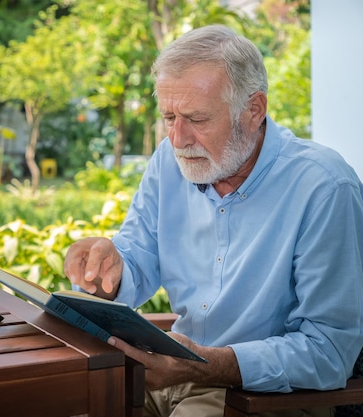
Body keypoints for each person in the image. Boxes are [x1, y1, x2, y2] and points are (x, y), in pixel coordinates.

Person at [63, 24, 363, 417]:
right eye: (169, 116)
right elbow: (136, 260)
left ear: (254, 110)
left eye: (197, 119)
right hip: (171, 368)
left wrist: (208, 364)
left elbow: (328, 351)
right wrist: (107, 270)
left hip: (263, 393)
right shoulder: (168, 163)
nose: (178, 138)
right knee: (64, 400)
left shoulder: (324, 187)